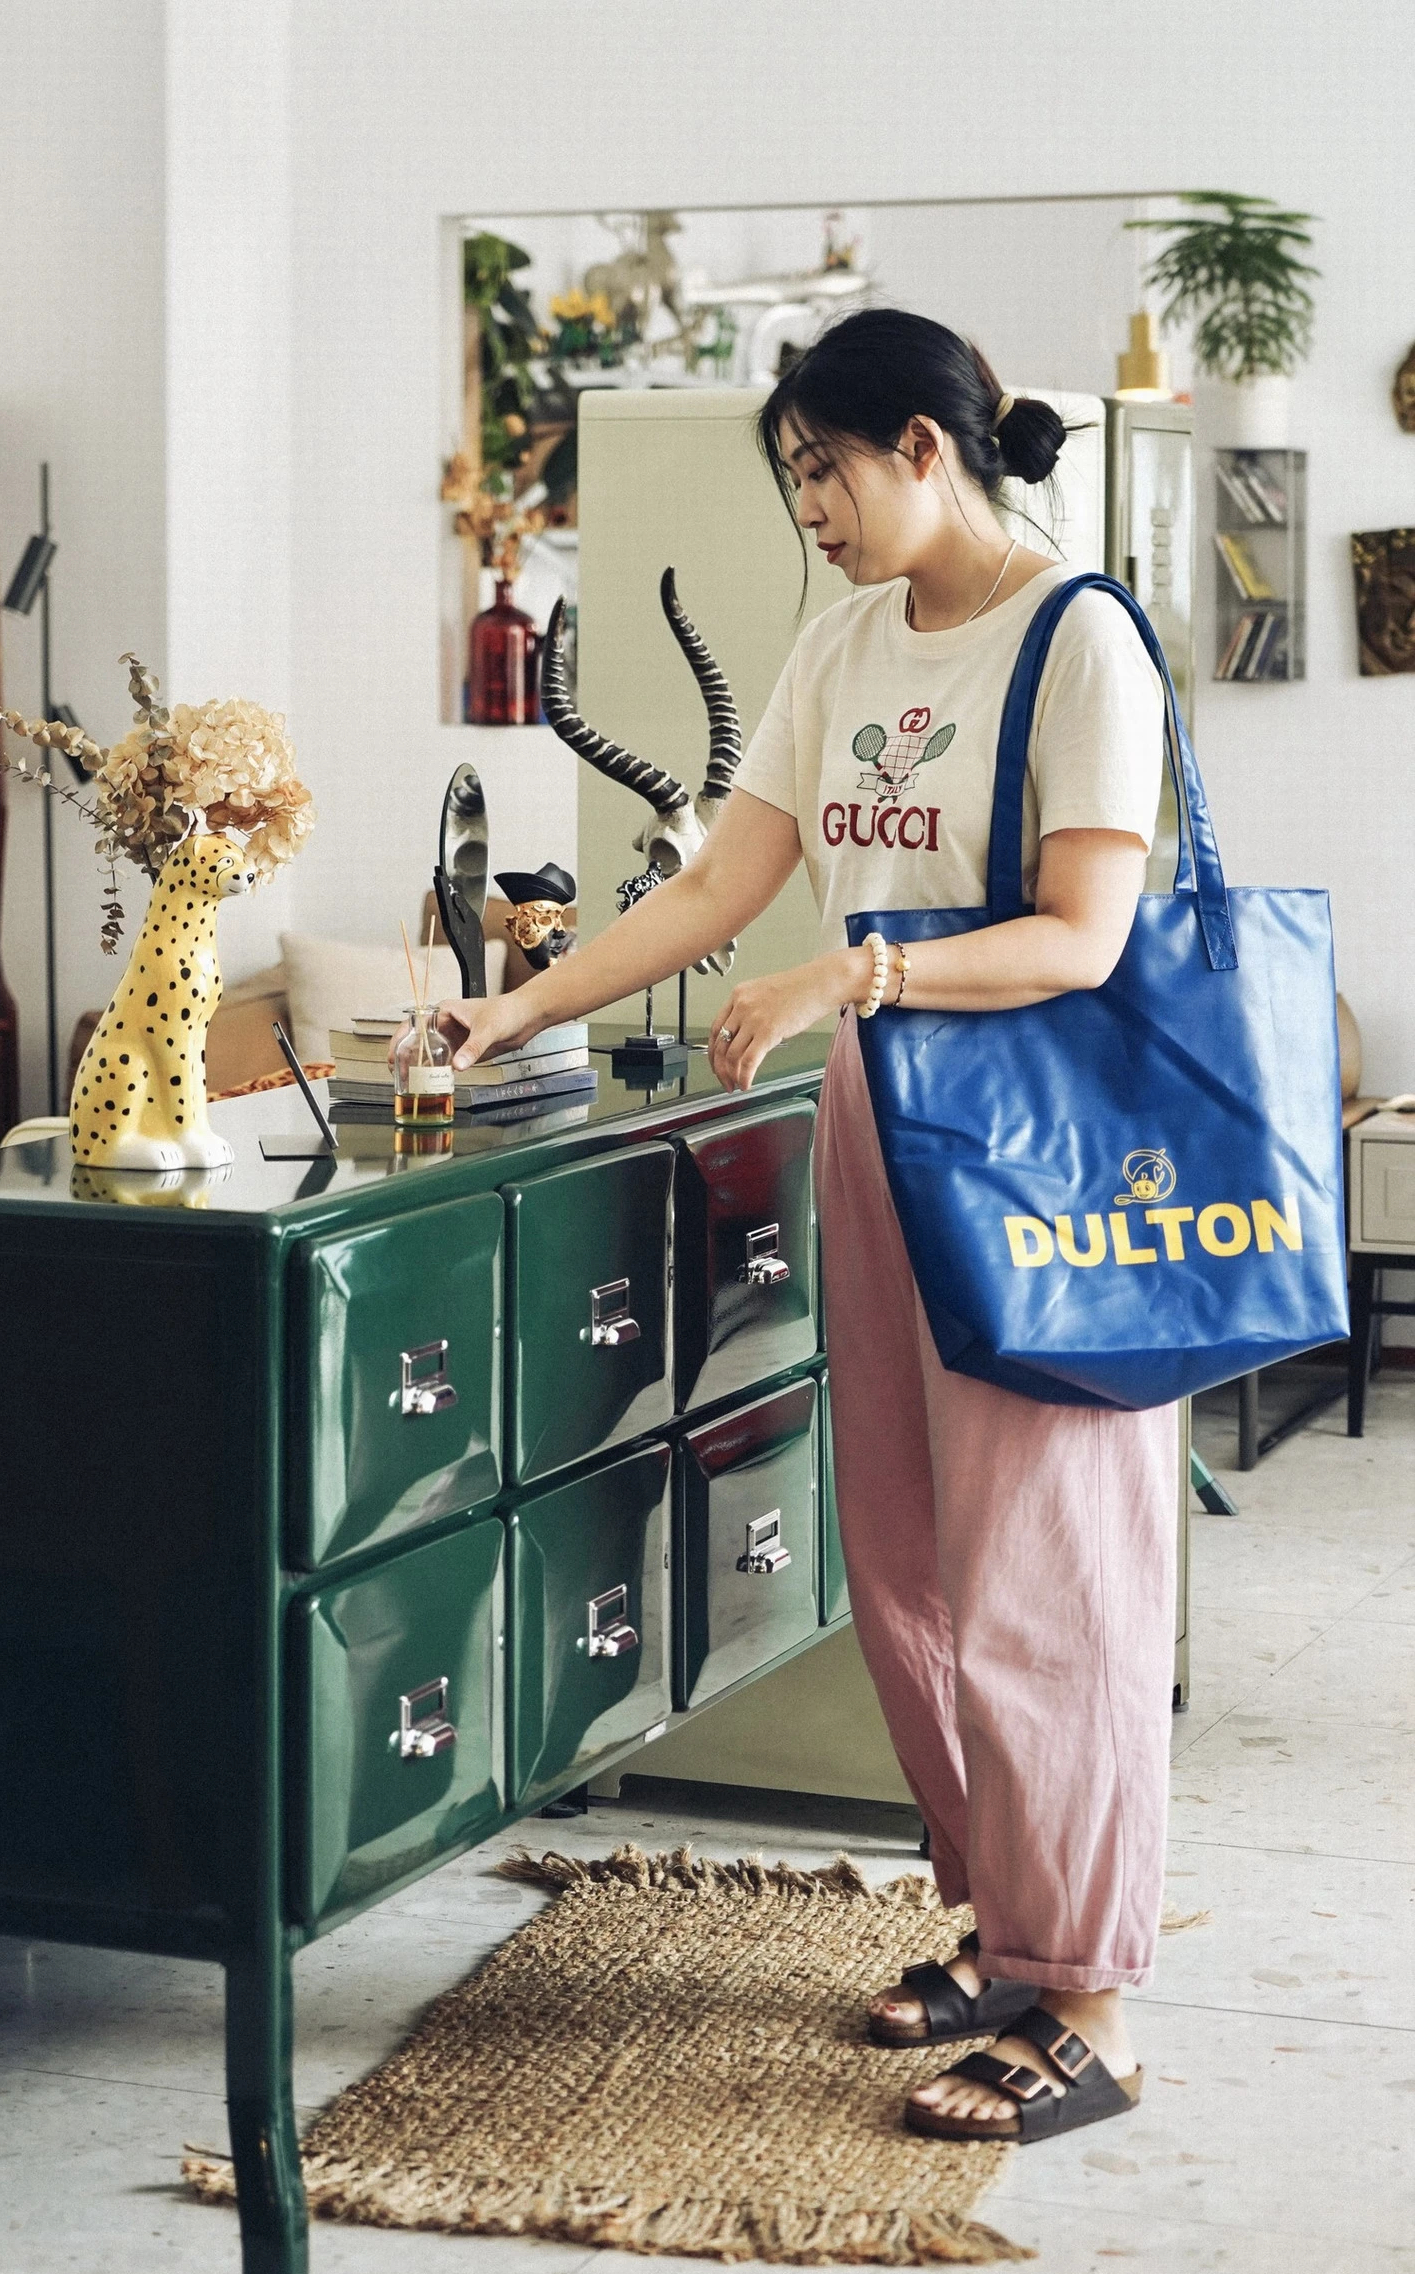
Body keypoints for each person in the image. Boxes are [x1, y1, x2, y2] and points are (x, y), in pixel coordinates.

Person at [437, 308, 1175, 2148]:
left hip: (1045, 1150)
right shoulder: (842, 644)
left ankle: (1093, 1990)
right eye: (793, 482)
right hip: (877, 1121)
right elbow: (720, 880)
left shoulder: (1081, 641)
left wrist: (871, 966)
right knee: (908, 1554)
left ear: (928, 446)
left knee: (1049, 1564)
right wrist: (514, 1008)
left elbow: (1084, 940)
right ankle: (1008, 1927)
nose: (811, 512)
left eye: (824, 472)